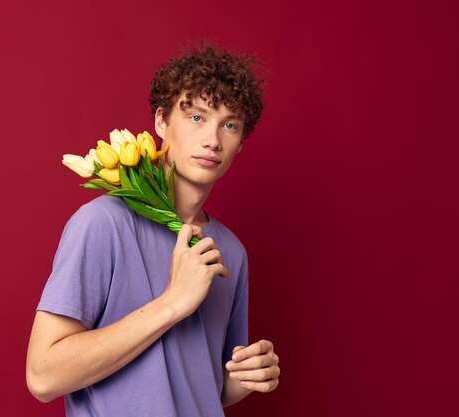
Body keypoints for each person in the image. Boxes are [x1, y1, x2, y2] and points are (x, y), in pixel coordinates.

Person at [26, 44, 281, 416]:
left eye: (229, 124)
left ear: (240, 142)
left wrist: (249, 375)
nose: (212, 139)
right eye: (196, 117)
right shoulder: (103, 223)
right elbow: (43, 377)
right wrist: (172, 303)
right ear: (161, 121)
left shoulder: (232, 251)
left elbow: (208, 383)